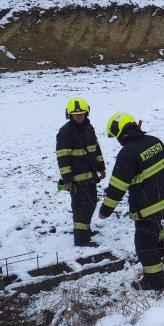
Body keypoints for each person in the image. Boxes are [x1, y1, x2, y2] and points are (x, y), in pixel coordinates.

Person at [98, 112, 164, 291]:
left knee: (145, 244)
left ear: (121, 133)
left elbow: (117, 187)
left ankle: (154, 281)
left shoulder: (127, 154)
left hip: (147, 208)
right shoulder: (154, 141)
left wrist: (105, 210)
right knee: (154, 228)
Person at [56, 97, 106, 247]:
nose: (79, 116)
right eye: (76, 114)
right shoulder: (65, 132)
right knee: (80, 208)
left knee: (90, 204)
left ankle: (85, 231)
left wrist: (101, 167)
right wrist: (67, 181)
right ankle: (81, 239)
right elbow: (62, 158)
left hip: (90, 176)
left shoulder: (88, 128)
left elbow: (96, 149)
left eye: (82, 113)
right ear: (69, 115)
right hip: (77, 180)